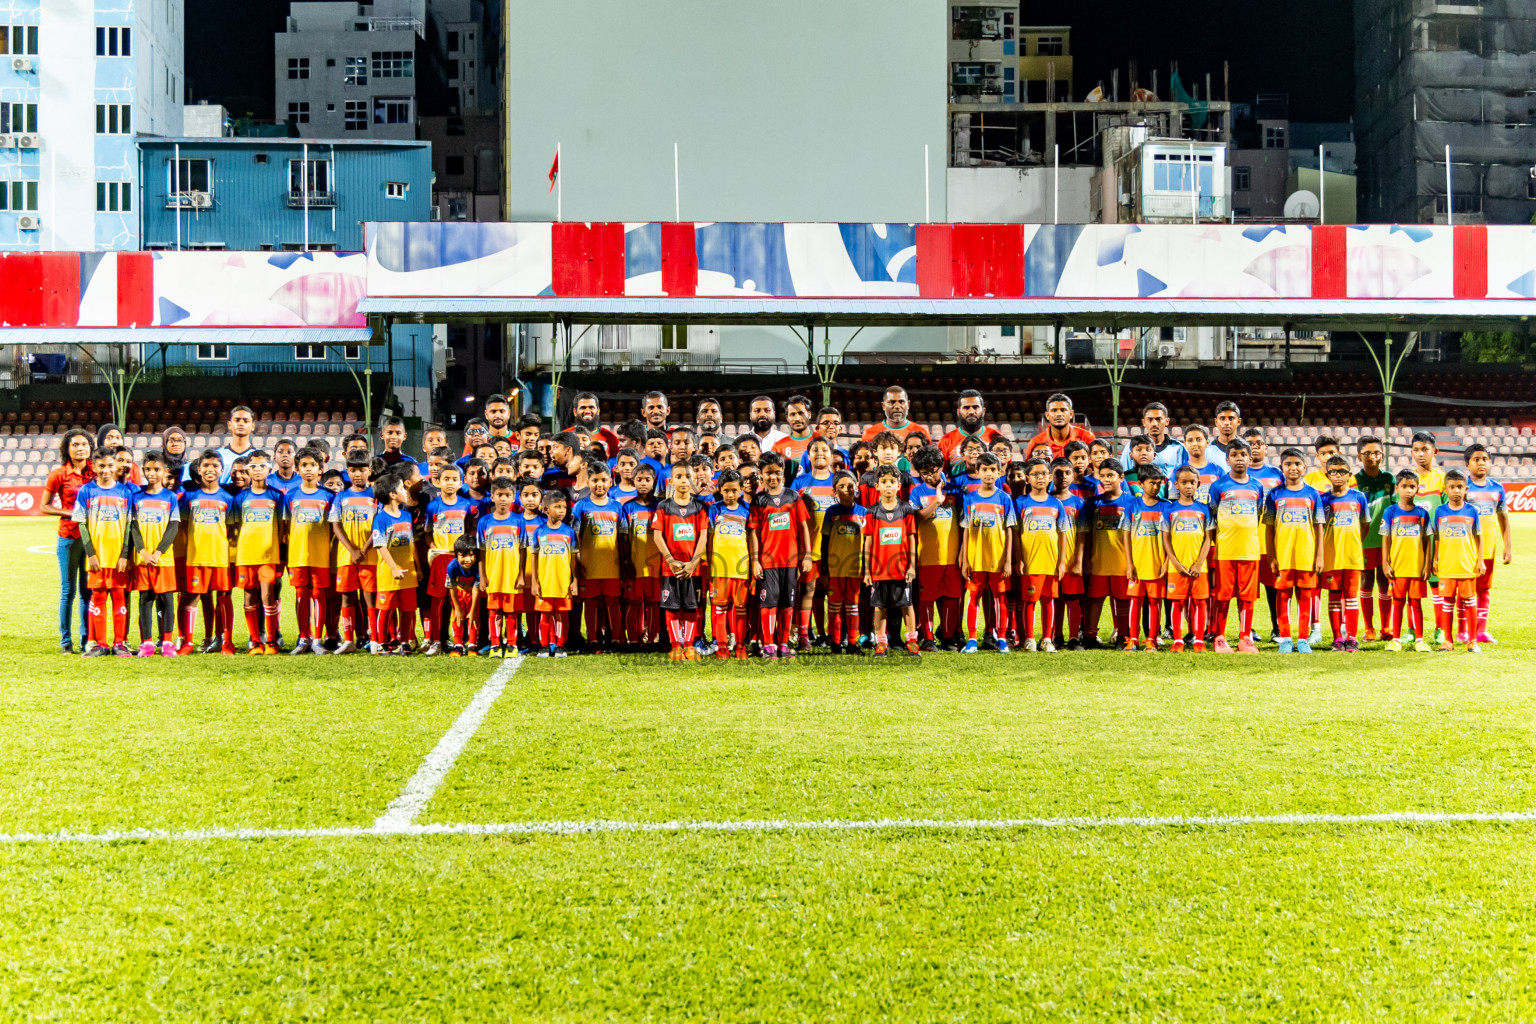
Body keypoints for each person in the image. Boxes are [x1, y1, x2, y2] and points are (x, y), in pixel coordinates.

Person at [748, 453, 812, 659]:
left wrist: (807, 556)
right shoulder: (759, 500)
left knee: (787, 603)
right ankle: (768, 644)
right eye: (768, 473)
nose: (773, 477)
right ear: (761, 475)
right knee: (769, 602)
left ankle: (783, 643)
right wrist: (755, 561)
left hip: (791, 561)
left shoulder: (793, 497)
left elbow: (803, 527)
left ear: (783, 473)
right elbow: (754, 533)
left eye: (777, 473)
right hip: (768, 562)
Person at [72, 446, 135, 656]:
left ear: (116, 465)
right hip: (97, 557)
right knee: (97, 597)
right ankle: (100, 644)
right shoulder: (86, 491)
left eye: (110, 465)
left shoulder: (125, 492)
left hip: (118, 558)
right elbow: (81, 524)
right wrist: (90, 554)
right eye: (101, 466)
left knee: (119, 597)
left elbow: (128, 526)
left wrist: (125, 554)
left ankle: (119, 643)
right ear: (94, 466)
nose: (106, 470)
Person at [1263, 448, 1325, 654]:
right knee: (1283, 598)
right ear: (1282, 468)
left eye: (1297, 464)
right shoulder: (1274, 494)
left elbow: (1319, 526)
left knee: (1305, 598)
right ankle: (1287, 638)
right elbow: (1269, 528)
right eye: (1288, 464)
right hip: (1283, 557)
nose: (1293, 468)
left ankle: (1303, 639)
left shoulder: (1312, 493)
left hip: (1306, 557)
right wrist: (1272, 557)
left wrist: (1319, 555)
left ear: (1304, 468)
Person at [1207, 440, 1263, 654]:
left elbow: (1257, 514)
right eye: (1235, 454)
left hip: (1249, 550)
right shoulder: (1218, 486)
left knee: (1247, 596)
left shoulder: (1256, 486)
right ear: (1227, 459)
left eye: (1243, 454)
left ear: (1250, 458)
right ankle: (1219, 637)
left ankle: (1244, 638)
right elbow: (1211, 517)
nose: (1239, 458)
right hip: (1225, 551)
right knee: (1222, 596)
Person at [43, 428, 95, 653]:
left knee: (88, 592)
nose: (80, 448)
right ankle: (66, 642)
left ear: (90, 447)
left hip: (92, 538)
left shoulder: (97, 472)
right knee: (68, 591)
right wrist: (70, 513)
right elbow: (44, 506)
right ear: (67, 449)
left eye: (84, 444)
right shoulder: (58, 474)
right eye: (75, 445)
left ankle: (86, 640)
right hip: (68, 537)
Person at [181, 449, 237, 654]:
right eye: (206, 466)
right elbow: (183, 527)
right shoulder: (189, 497)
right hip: (196, 557)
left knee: (224, 597)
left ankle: (226, 641)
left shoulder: (228, 498)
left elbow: (231, 529)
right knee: (193, 597)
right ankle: (187, 642)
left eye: (215, 466)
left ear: (222, 470)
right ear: (198, 469)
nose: (210, 469)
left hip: (220, 557)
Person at [861, 465, 920, 657]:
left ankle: (912, 641)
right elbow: (868, 541)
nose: (889, 486)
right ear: (877, 486)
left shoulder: (906, 509)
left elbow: (911, 538)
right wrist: (868, 571)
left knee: (906, 604)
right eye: (884, 482)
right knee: (880, 606)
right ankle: (881, 643)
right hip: (879, 570)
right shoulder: (871, 512)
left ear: (899, 485)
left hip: (902, 569)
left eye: (892, 482)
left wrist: (911, 565)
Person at [958, 452, 1014, 653]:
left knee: (1000, 599)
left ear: (999, 472)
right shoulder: (969, 498)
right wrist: (964, 559)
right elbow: (965, 529)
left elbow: (1009, 530)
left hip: (998, 559)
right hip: (975, 558)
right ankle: (972, 639)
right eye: (985, 470)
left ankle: (1001, 638)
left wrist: (1008, 561)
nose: (989, 473)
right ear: (978, 471)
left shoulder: (1004, 498)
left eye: (993, 470)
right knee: (973, 597)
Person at [654, 465, 711, 660]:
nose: (684, 480)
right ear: (671, 482)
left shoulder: (700, 507)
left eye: (687, 476)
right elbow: (657, 536)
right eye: (679, 476)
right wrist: (670, 561)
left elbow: (703, 536)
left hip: (692, 569)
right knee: (672, 607)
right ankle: (675, 646)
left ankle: (688, 646)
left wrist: (693, 563)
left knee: (690, 607)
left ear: (693, 479)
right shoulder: (664, 507)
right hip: (671, 568)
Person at [1012, 458, 1068, 652]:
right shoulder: (1020, 503)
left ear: (1050, 477)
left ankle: (1047, 639)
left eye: (1044, 474)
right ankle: (1029, 638)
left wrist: (1062, 562)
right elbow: (1015, 534)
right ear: (1027, 478)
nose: (1040, 478)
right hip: (1030, 562)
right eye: (1035, 474)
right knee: (1029, 601)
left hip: (1051, 562)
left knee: (1048, 600)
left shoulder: (1056, 504)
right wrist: (1018, 559)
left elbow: (1063, 534)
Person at [909, 444, 962, 650]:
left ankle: (948, 636)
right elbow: (916, 519)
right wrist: (936, 503)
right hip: (927, 555)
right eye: (925, 473)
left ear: (941, 466)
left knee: (951, 597)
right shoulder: (917, 491)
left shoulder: (955, 489)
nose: (930, 477)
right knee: (927, 598)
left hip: (951, 554)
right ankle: (928, 638)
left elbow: (962, 522)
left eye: (933, 471)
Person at [128, 450, 181, 657]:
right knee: (145, 599)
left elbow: (173, 527)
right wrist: (142, 551)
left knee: (167, 599)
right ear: (142, 470)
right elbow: (133, 527)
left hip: (163, 559)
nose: (152, 473)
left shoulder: (170, 498)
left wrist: (158, 552)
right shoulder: (136, 497)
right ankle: (147, 643)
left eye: (156, 469)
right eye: (148, 469)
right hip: (143, 559)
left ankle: (167, 642)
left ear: (164, 471)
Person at [232, 450, 285, 654]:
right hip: (246, 554)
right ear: (247, 470)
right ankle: (255, 641)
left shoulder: (276, 496)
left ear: (269, 469)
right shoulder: (241, 497)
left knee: (267, 596)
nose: (257, 470)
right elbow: (236, 525)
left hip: (268, 555)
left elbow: (281, 526)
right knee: (248, 597)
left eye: (262, 466)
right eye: (253, 466)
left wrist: (277, 549)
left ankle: (271, 640)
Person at [572, 464, 629, 650]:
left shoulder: (617, 506)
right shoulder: (580, 506)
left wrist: (624, 561)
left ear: (610, 482)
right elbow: (575, 539)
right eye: (595, 480)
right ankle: (593, 639)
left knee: (613, 602)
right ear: (588, 482)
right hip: (589, 566)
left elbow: (622, 537)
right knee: (591, 603)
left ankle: (615, 639)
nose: (599, 484)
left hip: (612, 566)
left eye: (604, 480)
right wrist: (578, 562)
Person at [285, 447, 335, 655]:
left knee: (318, 595)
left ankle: (317, 638)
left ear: (320, 469)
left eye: (312, 465)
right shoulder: (290, 495)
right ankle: (303, 637)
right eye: (304, 465)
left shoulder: (328, 496)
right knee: (300, 595)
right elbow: (285, 528)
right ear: (297, 469)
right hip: (297, 555)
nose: (308, 469)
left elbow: (333, 528)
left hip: (320, 555)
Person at [422, 462, 475, 656]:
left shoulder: (465, 505)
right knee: (438, 601)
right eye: (446, 479)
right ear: (438, 482)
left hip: (459, 558)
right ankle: (438, 639)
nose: (450, 483)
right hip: (441, 557)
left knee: (460, 601)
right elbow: (427, 532)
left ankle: (463, 640)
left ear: (461, 483)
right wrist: (432, 547)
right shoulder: (432, 506)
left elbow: (469, 528)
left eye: (454, 479)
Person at [329, 453, 378, 655]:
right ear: (347, 472)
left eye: (362, 470)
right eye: (353, 470)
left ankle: (374, 638)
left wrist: (364, 549)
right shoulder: (340, 497)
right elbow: (336, 526)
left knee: (370, 598)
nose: (358, 474)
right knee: (347, 598)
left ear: (369, 471)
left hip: (371, 556)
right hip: (346, 557)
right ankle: (348, 640)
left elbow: (379, 525)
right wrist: (352, 550)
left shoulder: (375, 496)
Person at [1463, 443, 1512, 645]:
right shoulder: (1462, 486)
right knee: (1464, 588)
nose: (1481, 463)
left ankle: (1481, 630)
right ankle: (1462, 630)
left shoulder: (1497, 488)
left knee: (1484, 589)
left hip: (1489, 547)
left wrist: (1507, 546)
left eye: (1484, 459)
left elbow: (1503, 518)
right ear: (1467, 464)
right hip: (1464, 547)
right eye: (1476, 459)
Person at [1318, 456, 1367, 652]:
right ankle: (1338, 637)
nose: (1338, 476)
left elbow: (1365, 524)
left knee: (1352, 596)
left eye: (1342, 472)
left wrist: (1354, 542)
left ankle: (1352, 638)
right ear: (1327, 474)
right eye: (1334, 472)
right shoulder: (1322, 499)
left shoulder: (1359, 497)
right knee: (1335, 596)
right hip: (1331, 557)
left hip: (1352, 556)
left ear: (1350, 475)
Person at [1381, 470, 1432, 653]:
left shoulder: (1422, 514)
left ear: (1417, 488)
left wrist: (1427, 565)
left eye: (1412, 486)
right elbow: (1386, 539)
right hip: (1398, 567)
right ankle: (1395, 639)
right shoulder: (1390, 511)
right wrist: (1385, 563)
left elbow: (1427, 542)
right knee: (1398, 603)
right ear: (1397, 488)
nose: (1408, 490)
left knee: (1416, 604)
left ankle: (1419, 639)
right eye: (1404, 486)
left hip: (1416, 568)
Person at [1431, 470, 1483, 652]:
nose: (1456, 491)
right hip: (1447, 565)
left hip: (1467, 565)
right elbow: (1436, 537)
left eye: (1460, 487)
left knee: (1469, 603)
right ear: (1445, 489)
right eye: (1452, 487)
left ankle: (1473, 641)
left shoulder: (1472, 511)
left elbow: (1478, 537)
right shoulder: (1439, 511)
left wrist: (1480, 560)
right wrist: (1435, 559)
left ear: (1466, 489)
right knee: (1447, 603)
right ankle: (1447, 641)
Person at [1084, 461, 1133, 648]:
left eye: (1111, 475)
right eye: (1102, 476)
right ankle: (1090, 636)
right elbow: (1087, 534)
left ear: (1121, 478)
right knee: (1095, 599)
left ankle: (1123, 636)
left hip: (1122, 562)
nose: (1106, 480)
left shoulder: (1131, 502)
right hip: (1099, 561)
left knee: (1122, 599)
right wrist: (1087, 558)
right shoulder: (1093, 503)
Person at [1165, 465, 1213, 653]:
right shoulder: (1170, 509)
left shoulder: (1204, 509)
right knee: (1177, 603)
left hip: (1199, 568)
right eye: (1184, 482)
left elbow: (1208, 538)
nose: (1188, 486)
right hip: (1176, 568)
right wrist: (1176, 563)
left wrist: (1199, 563)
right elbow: (1166, 539)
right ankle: (1178, 639)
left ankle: (1199, 639)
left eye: (1192, 482)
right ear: (1176, 484)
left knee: (1200, 602)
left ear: (1198, 484)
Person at [371, 472, 420, 653]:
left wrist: (418, 567)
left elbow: (411, 543)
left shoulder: (406, 516)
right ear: (392, 494)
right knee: (386, 609)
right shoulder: (380, 519)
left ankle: (405, 641)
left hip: (408, 571)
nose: (405, 491)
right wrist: (393, 568)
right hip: (389, 573)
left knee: (407, 609)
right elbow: (380, 546)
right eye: (401, 488)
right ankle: (382, 643)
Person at [1124, 465, 1170, 653]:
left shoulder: (1166, 506)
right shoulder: (1132, 506)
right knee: (1135, 601)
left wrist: (1167, 562)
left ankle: (1152, 639)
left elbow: (1170, 538)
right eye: (1151, 483)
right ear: (1141, 484)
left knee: (1155, 602)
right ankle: (1132, 639)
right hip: (1137, 563)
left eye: (1158, 484)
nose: (1155, 487)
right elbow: (1126, 535)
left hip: (1157, 563)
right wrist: (1129, 563)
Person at [477, 477, 525, 657]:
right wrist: (482, 577)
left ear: (514, 497)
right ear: (492, 497)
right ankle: (495, 644)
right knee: (494, 611)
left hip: (512, 577)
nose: (503, 498)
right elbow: (481, 552)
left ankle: (512, 644)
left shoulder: (518, 521)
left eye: (507, 495)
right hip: (493, 576)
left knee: (512, 612)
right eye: (499, 494)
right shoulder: (485, 522)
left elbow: (522, 550)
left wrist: (520, 575)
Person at [707, 470, 752, 659]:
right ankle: (722, 646)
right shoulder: (714, 510)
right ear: (720, 490)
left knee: (741, 609)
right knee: (719, 609)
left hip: (741, 568)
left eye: (734, 490)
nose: (730, 495)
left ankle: (741, 645)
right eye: (726, 491)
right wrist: (708, 563)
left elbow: (751, 538)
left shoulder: (747, 510)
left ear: (741, 489)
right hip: (719, 568)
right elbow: (708, 538)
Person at [820, 471, 866, 654]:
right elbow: (824, 542)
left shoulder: (863, 512)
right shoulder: (832, 513)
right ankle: (835, 643)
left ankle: (853, 643)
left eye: (850, 485)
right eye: (842, 486)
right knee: (834, 606)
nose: (847, 489)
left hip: (856, 568)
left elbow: (867, 543)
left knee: (853, 607)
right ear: (834, 491)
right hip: (835, 568)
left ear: (856, 487)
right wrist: (824, 569)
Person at [528, 489, 578, 657]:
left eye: (564, 507)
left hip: (563, 582)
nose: (562, 510)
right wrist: (535, 582)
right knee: (545, 615)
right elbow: (534, 558)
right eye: (557, 507)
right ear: (546, 509)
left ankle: (560, 645)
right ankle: (544, 645)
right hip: (545, 582)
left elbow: (573, 559)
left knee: (562, 616)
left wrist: (574, 580)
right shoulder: (539, 532)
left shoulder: (569, 532)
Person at [1354, 435, 1395, 641]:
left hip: (1387, 540)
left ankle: (1386, 628)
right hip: (1365, 539)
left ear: (1382, 454)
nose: (1372, 457)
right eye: (1367, 453)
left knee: (1385, 580)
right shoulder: (1355, 480)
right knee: (1366, 580)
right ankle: (1369, 628)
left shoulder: (1390, 479)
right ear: (1359, 455)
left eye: (1376, 452)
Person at [623, 465, 663, 647]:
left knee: (654, 603)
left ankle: (653, 637)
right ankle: (633, 638)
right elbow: (623, 537)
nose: (644, 483)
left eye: (647, 480)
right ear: (633, 481)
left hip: (656, 563)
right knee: (634, 602)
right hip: (635, 562)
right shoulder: (628, 507)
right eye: (640, 480)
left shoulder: (660, 506)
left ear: (654, 480)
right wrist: (626, 561)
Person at [938, 390, 1004, 465]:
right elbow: (941, 474)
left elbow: (1005, 471)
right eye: (966, 408)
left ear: (983, 411)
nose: (971, 411)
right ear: (958, 412)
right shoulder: (946, 441)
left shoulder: (996, 437)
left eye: (975, 407)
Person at [1119, 402, 1187, 475]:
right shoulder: (1131, 446)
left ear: (1167, 421)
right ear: (1144, 422)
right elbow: (1123, 476)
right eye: (1150, 419)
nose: (1154, 423)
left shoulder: (1179, 448)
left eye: (1158, 419)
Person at [1025, 393, 1096, 459]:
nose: (1059, 414)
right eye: (1054, 410)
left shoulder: (1087, 437)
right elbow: (1029, 470)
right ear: (1047, 415)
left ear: (1071, 414)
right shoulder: (1036, 442)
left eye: (1063, 410)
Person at [444, 537, 483, 656]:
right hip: (458, 593)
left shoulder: (477, 566)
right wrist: (457, 608)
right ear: (456, 555)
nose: (468, 559)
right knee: (457, 617)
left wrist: (472, 611)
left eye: (471, 555)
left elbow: (477, 588)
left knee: (473, 617)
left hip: (473, 593)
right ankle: (458, 644)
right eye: (463, 556)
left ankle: (472, 644)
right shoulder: (452, 566)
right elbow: (452, 587)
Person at [860, 386, 931, 444]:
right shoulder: (869, 433)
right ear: (883, 405)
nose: (897, 406)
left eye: (901, 402)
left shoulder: (922, 433)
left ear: (908, 404)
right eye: (892, 402)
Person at [570, 391, 623, 457]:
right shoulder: (566, 434)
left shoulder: (611, 438)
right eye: (583, 407)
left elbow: (615, 464)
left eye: (591, 407)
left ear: (598, 411)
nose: (587, 411)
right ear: (575, 412)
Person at [214, 406, 257, 485]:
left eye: (245, 421)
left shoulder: (259, 456)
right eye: (237, 420)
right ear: (229, 424)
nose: (241, 424)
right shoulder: (217, 454)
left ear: (252, 426)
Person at [771, 395, 818, 464]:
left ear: (809, 415)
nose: (797, 418)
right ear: (787, 418)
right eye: (792, 414)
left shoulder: (821, 440)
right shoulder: (778, 446)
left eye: (801, 413)